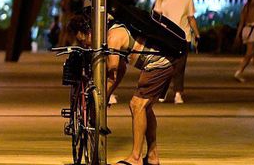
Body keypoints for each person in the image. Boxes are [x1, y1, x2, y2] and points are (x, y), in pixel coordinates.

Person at [69, 12, 177, 165]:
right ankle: (153, 156)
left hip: (159, 63)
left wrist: (99, 96)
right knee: (145, 108)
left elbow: (112, 69)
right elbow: (119, 71)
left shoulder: (113, 37)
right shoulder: (113, 32)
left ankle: (136, 158)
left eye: (84, 41)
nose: (85, 45)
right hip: (165, 59)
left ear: (90, 32)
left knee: (137, 105)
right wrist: (104, 97)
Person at [152, 0, 199, 104]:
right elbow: (157, 17)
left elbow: (191, 17)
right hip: (167, 37)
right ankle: (163, 91)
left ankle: (178, 93)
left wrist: (197, 34)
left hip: (183, 37)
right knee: (165, 65)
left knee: (179, 67)